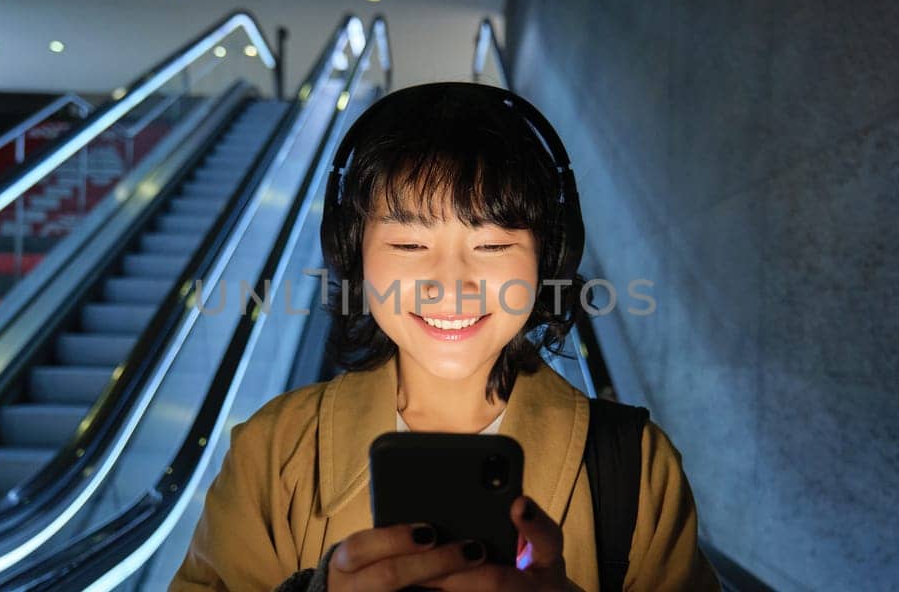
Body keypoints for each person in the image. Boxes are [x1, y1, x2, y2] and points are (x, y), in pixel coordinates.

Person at [172, 82, 718, 591]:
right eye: (409, 246)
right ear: (353, 257)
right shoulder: (273, 451)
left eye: (493, 246)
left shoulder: (635, 467)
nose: (451, 286)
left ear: (548, 257)